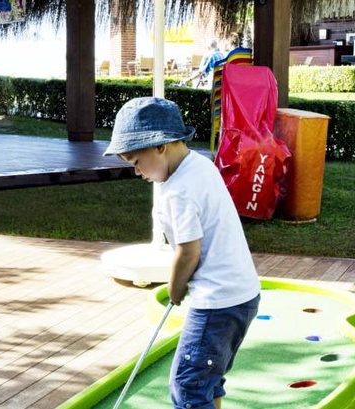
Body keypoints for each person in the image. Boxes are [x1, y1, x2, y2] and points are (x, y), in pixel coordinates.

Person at [104, 97, 260, 409]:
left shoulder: (179, 190)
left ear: (160, 146)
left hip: (216, 301)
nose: (136, 171)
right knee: (208, 378)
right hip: (242, 295)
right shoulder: (200, 165)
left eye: (136, 161)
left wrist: (175, 288)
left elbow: (189, 252)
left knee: (188, 385)